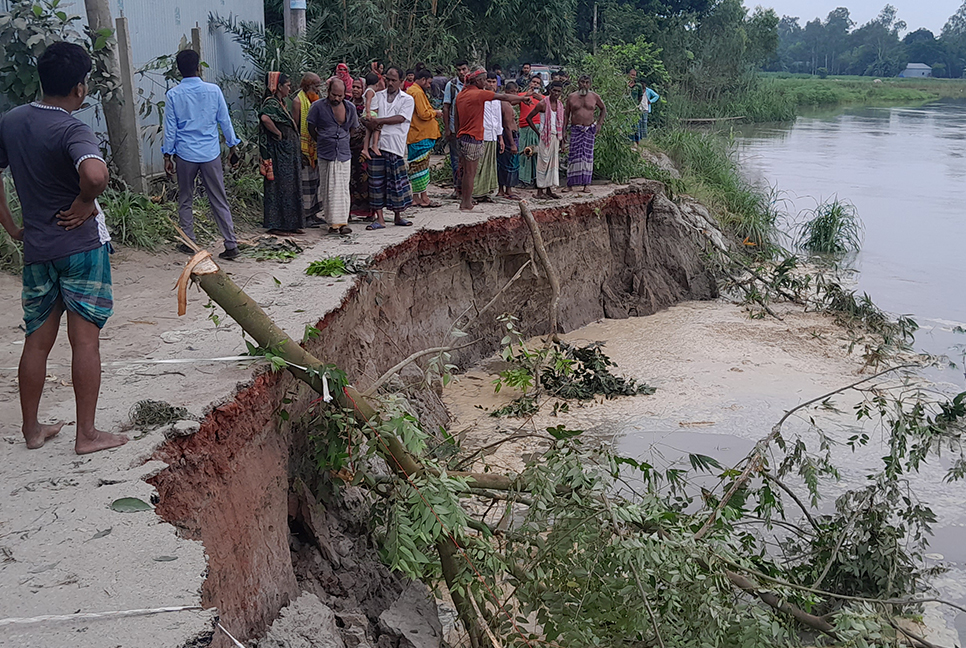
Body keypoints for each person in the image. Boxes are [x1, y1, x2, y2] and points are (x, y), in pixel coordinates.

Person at [0, 42, 127, 454]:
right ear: (79, 88)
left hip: (38, 248)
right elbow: (95, 175)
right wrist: (85, 202)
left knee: (36, 341)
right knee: (84, 341)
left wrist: (12, 226)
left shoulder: (12, 121)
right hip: (80, 247)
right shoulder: (72, 129)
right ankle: (86, 435)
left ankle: (32, 429)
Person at [162, 48, 241, 259]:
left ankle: (189, 241)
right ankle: (231, 244)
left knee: (185, 198)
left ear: (179, 70)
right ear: (198, 67)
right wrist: (233, 147)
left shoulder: (173, 95)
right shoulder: (214, 91)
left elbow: (170, 129)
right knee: (218, 198)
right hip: (210, 153)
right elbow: (225, 121)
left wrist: (167, 155)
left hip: (185, 154)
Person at [453, 67, 524, 211]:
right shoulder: (479, 94)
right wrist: (523, 98)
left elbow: (456, 118)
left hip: (463, 136)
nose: (486, 83)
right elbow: (504, 97)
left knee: (466, 171)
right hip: (474, 137)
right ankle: (466, 202)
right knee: (471, 172)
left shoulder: (461, 95)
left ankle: (466, 199)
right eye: (485, 80)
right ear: (478, 81)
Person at [363, 67, 415, 229]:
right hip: (377, 145)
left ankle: (398, 216)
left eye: (394, 80)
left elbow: (401, 118)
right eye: (388, 79)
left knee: (396, 183)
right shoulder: (377, 95)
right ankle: (380, 219)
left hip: (395, 145)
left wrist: (378, 121)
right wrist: (370, 121)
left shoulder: (407, 99)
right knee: (376, 183)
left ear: (401, 81)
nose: (390, 83)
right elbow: (369, 114)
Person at [308, 77, 359, 236]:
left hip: (343, 152)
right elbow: (310, 127)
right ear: (328, 92)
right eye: (334, 95)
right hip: (326, 153)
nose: (336, 98)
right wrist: (322, 139)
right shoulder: (317, 107)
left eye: (340, 96)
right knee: (328, 188)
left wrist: (343, 139)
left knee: (342, 188)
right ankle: (332, 223)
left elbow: (353, 129)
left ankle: (343, 223)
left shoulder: (350, 108)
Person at [259, 72, 305, 234]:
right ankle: (277, 224)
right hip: (279, 154)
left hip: (287, 153)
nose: (289, 89)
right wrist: (278, 133)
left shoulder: (281, 103)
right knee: (280, 186)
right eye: (287, 86)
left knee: (290, 186)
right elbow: (265, 118)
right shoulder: (271, 103)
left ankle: (291, 223)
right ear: (279, 87)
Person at [564, 74, 607, 194]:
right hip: (575, 129)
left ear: (590, 84)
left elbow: (603, 108)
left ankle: (586, 184)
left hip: (589, 130)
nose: (584, 85)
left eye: (587, 82)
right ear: (578, 83)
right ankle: (570, 184)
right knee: (573, 156)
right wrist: (564, 130)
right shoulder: (571, 97)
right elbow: (566, 114)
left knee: (587, 157)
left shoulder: (594, 97)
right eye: (582, 82)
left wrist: (599, 124)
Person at [406, 69, 443, 208]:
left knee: (416, 167)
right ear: (423, 79)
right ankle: (424, 198)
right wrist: (435, 113)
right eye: (428, 82)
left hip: (416, 134)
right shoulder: (417, 93)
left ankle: (417, 197)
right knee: (421, 168)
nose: (429, 85)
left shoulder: (412, 91)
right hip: (420, 134)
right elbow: (423, 114)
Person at [291, 73, 323, 227]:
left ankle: (314, 213)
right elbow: (295, 127)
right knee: (306, 184)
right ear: (308, 85)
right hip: (304, 149)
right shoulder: (298, 101)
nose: (318, 89)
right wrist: (299, 150)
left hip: (316, 148)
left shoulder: (315, 100)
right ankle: (306, 216)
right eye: (316, 86)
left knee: (316, 182)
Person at [526, 80, 564, 200]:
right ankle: (539, 191)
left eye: (558, 91)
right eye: (554, 90)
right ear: (550, 90)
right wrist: (538, 133)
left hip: (555, 136)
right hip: (545, 137)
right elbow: (529, 118)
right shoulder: (542, 104)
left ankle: (549, 190)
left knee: (553, 164)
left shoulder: (560, 105)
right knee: (543, 163)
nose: (556, 93)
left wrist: (562, 140)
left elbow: (561, 123)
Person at [471, 72, 504, 200]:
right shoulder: (479, 97)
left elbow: (498, 119)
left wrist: (500, 138)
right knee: (479, 165)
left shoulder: (497, 100)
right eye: (488, 81)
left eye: (493, 82)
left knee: (490, 165)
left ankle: (486, 192)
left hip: (493, 136)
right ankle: (475, 192)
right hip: (481, 135)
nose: (491, 84)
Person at [442, 60, 469, 196]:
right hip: (455, 129)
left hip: (470, 128)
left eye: (464, 69)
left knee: (469, 160)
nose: (461, 72)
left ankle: (468, 188)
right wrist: (447, 128)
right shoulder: (451, 85)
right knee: (456, 159)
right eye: (459, 70)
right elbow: (446, 107)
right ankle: (457, 188)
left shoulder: (473, 85)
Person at [348, 78, 372, 220]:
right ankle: (349, 211)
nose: (355, 89)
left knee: (365, 179)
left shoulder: (367, 106)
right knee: (350, 179)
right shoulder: (347, 103)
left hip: (363, 148)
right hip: (349, 147)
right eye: (354, 87)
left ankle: (368, 212)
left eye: (358, 87)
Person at [517, 75, 543, 187]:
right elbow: (512, 101)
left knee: (537, 153)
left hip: (537, 127)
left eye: (537, 83)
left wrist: (540, 98)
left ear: (540, 86)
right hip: (524, 127)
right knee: (523, 153)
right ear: (529, 83)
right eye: (533, 82)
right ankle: (523, 180)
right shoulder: (521, 96)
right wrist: (526, 96)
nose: (535, 84)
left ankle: (536, 179)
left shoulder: (543, 98)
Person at [497, 81, 522, 200]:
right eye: (513, 92)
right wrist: (512, 143)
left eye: (516, 92)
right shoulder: (506, 105)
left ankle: (501, 189)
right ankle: (508, 190)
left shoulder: (504, 103)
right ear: (507, 92)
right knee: (510, 163)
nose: (515, 94)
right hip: (509, 135)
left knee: (502, 163)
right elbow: (507, 125)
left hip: (507, 135)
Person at [628, 68, 660, 144]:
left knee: (643, 124)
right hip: (636, 108)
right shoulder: (632, 87)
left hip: (644, 109)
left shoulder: (646, 90)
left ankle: (641, 139)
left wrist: (650, 101)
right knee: (636, 124)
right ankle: (633, 139)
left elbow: (656, 96)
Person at [362, 72, 385, 159]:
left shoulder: (368, 90)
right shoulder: (370, 91)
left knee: (368, 133)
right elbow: (368, 102)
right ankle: (374, 145)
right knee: (377, 128)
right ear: (376, 84)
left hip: (371, 112)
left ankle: (365, 149)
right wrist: (368, 112)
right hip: (371, 113)